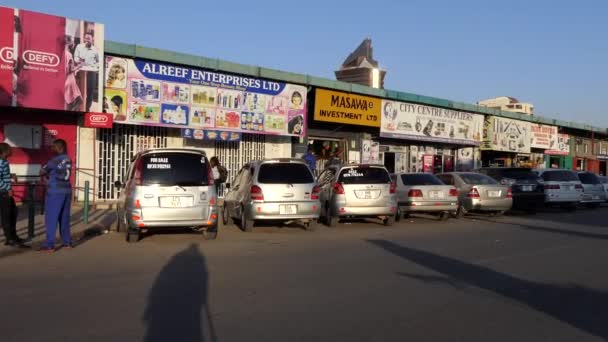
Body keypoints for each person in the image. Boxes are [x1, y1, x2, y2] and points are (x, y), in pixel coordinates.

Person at [39, 139, 73, 252]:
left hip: (55, 191)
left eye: (54, 147)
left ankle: (49, 244)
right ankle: (67, 242)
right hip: (67, 191)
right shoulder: (68, 159)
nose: (52, 149)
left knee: (51, 218)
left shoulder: (54, 160)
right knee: (64, 217)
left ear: (59, 147)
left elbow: (42, 171)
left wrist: (45, 175)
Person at [0, 143, 23, 247]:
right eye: (9, 149)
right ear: (3, 152)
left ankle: (13, 236)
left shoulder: (4, 161)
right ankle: (10, 239)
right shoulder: (0, 162)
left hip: (6, 192)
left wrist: (11, 175)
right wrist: (7, 188)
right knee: (7, 216)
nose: (11, 151)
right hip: (3, 193)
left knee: (13, 213)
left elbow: (3, 175)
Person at [74, 32, 100, 112]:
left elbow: (99, 62)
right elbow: (75, 57)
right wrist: (79, 61)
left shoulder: (95, 50)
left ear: (92, 39)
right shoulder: (79, 46)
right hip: (81, 70)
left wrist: (94, 65)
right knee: (78, 90)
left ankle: (87, 109)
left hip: (91, 72)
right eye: (86, 38)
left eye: (88, 39)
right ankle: (78, 107)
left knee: (90, 91)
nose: (87, 40)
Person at [64, 35, 82, 111]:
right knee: (77, 101)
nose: (74, 43)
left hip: (66, 81)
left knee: (74, 101)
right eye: (73, 41)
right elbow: (69, 70)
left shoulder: (62, 53)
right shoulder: (69, 55)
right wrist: (80, 66)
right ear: (70, 42)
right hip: (70, 81)